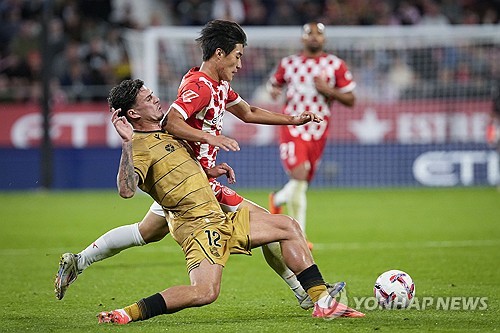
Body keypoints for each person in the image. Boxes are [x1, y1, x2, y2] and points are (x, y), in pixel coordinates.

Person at [54, 20, 344, 310]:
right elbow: (171, 121)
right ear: (220, 53)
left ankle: (79, 261)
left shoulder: (219, 85)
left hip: (194, 175)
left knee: (144, 232)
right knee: (276, 226)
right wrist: (210, 139)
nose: (240, 64)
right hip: (195, 185)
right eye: (237, 56)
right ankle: (305, 292)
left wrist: (292, 119)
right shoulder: (199, 86)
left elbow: (248, 111)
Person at [97, 79, 364, 324]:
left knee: (287, 227)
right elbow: (126, 190)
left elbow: (178, 170)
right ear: (133, 114)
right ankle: (125, 313)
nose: (155, 100)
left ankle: (321, 300)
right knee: (204, 292)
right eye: (147, 99)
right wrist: (127, 144)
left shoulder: (166, 134)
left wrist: (208, 172)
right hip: (198, 227)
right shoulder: (139, 146)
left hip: (218, 217)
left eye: (152, 95)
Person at [267, 22, 356, 249]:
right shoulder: (289, 64)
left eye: (319, 34)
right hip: (293, 125)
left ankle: (277, 199)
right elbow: (273, 84)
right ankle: (300, 236)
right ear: (302, 39)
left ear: (324, 39)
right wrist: (274, 90)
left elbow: (351, 99)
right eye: (310, 34)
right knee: (299, 174)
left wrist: (329, 91)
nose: (314, 38)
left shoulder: (335, 64)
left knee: (302, 183)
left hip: (319, 129)